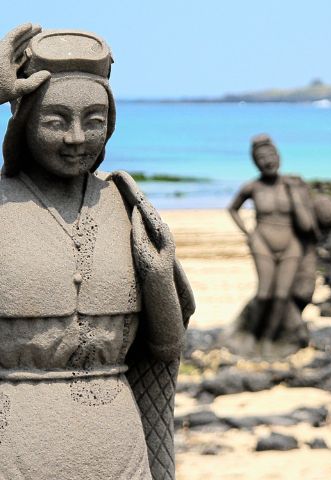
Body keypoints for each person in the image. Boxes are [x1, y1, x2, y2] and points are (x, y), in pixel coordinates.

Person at [0, 24, 194, 479]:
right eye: (54, 121)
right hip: (15, 430)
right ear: (24, 121)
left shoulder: (124, 205)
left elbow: (164, 346)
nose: (76, 138)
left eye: (94, 121)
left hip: (116, 436)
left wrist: (158, 275)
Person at [228, 134, 319, 352]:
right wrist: (248, 233)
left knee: (281, 296)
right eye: (261, 157)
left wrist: (294, 194)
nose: (268, 161)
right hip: (262, 242)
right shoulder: (253, 187)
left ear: (279, 156)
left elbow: (307, 226)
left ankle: (270, 339)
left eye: (271, 155)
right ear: (255, 161)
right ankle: (252, 334)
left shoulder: (292, 185)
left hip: (291, 245)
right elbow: (232, 209)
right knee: (264, 292)